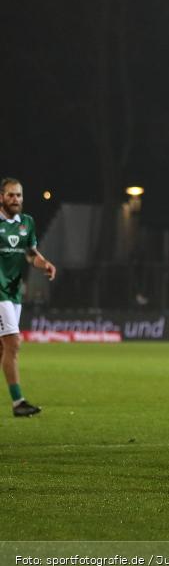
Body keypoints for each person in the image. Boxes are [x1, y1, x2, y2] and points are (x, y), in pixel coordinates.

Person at [0, 178, 56, 416]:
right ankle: (18, 403)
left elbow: (30, 254)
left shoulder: (27, 223)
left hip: (13, 294)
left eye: (19, 195)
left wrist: (44, 264)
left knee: (2, 350)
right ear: (1, 197)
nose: (16, 199)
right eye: (11, 195)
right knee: (13, 343)